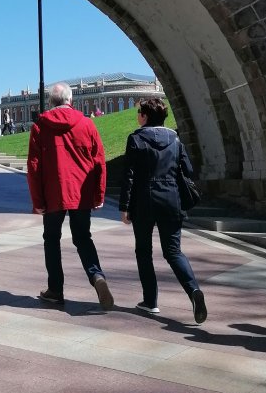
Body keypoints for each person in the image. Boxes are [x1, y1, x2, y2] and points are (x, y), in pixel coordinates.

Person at [26, 82, 114, 311]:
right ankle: (97, 277)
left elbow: (34, 167)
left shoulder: (40, 126)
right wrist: (98, 195)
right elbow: (99, 163)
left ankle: (55, 289)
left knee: (52, 239)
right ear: (71, 101)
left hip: (53, 193)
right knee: (83, 238)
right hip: (81, 193)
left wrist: (38, 202)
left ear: (51, 102)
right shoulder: (87, 124)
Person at [119, 97, 206, 323]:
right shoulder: (175, 139)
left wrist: (125, 207)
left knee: (144, 251)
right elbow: (187, 169)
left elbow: (129, 176)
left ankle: (150, 301)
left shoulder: (136, 139)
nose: (137, 115)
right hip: (171, 199)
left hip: (144, 201)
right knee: (174, 251)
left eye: (139, 111)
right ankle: (193, 291)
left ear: (145, 116)